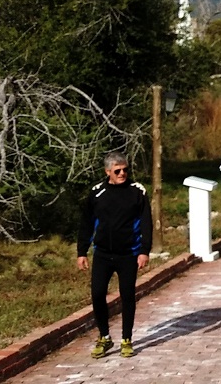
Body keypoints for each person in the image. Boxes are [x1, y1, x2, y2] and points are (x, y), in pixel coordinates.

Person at [76, 152, 151, 360]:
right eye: (117, 170)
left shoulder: (137, 192)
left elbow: (146, 222)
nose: (122, 173)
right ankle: (104, 336)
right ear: (107, 171)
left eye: (125, 169)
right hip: (102, 254)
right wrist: (82, 251)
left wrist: (145, 250)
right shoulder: (97, 193)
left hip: (128, 254)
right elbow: (86, 223)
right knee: (98, 294)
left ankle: (127, 339)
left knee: (127, 296)